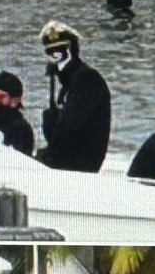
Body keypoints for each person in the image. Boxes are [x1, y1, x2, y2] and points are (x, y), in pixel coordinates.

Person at [34, 20, 111, 173]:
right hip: (66, 158)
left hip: (79, 163)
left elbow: (69, 128)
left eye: (57, 50)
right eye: (49, 52)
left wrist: (47, 155)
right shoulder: (69, 82)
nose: (53, 58)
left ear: (69, 50)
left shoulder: (86, 79)